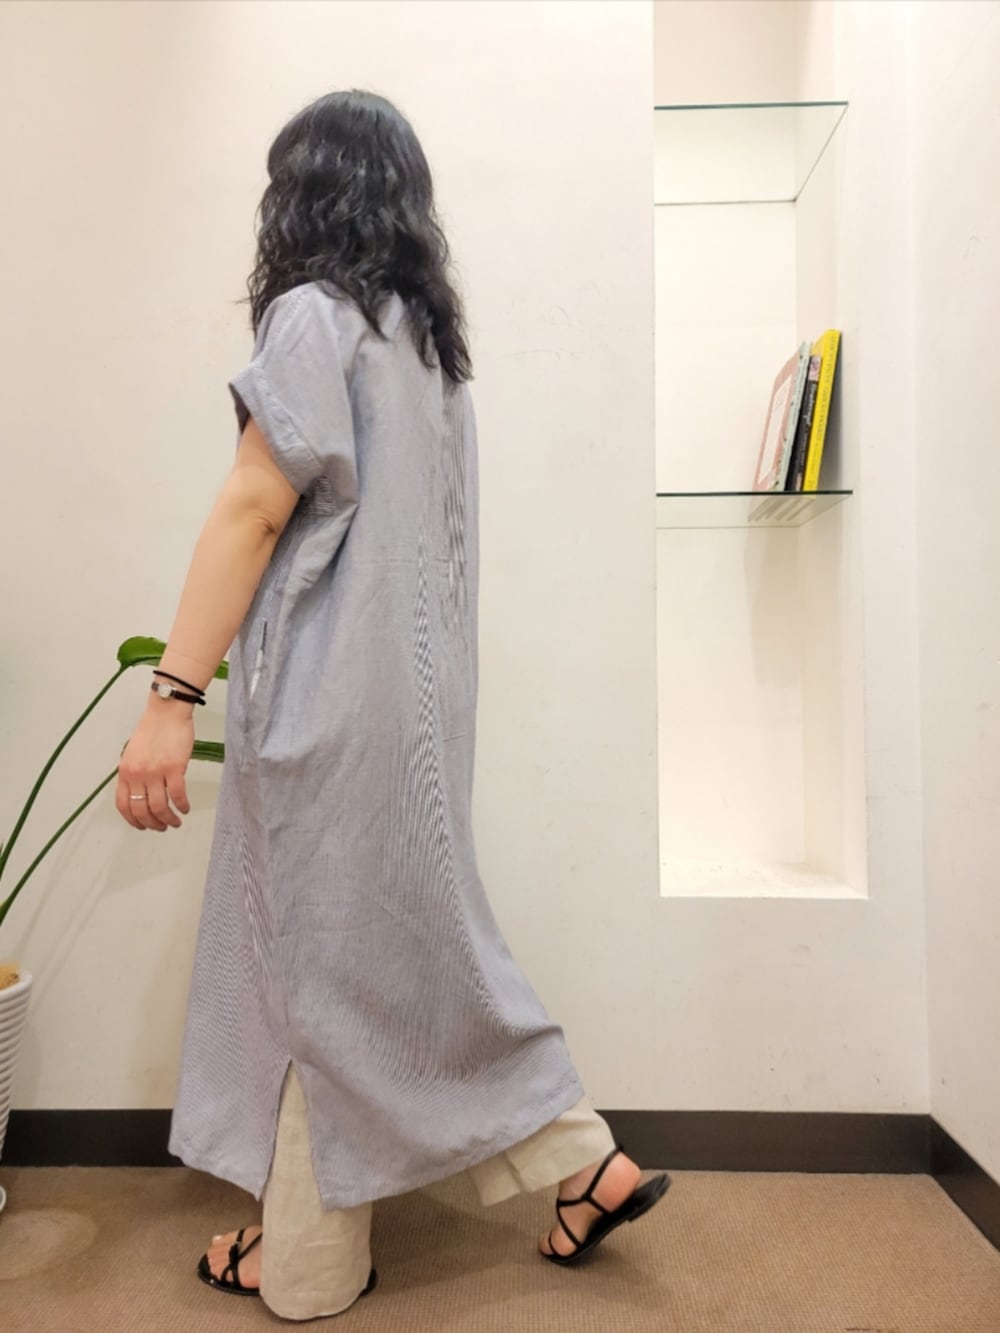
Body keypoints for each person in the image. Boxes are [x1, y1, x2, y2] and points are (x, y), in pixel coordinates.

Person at [116, 89, 669, 1321]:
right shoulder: (432, 353)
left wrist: (172, 694)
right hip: (416, 722)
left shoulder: (313, 319)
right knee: (391, 963)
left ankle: (311, 1264)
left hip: (326, 712)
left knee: (321, 975)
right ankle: (582, 1159)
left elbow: (252, 506)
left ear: (303, 196)